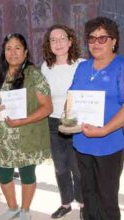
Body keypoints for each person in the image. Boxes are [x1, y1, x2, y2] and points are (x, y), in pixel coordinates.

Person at [69, 17, 124, 220]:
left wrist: (104, 129)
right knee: (88, 195)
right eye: (92, 38)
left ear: (114, 41)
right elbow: (72, 98)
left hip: (108, 143)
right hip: (82, 141)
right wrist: (69, 119)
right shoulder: (83, 67)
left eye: (102, 38)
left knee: (107, 197)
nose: (95, 43)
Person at [0, 33, 52, 220]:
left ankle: (25, 210)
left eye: (17, 48)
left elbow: (47, 107)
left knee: (27, 174)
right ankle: (12, 207)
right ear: (4, 52)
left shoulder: (34, 75)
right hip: (2, 139)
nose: (12, 52)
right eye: (8, 48)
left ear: (25, 53)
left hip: (26, 135)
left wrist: (22, 121)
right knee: (3, 173)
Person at [41, 24, 84, 219]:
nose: (58, 43)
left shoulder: (82, 64)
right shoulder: (45, 67)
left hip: (76, 123)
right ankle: (65, 203)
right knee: (60, 166)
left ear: (70, 41)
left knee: (78, 167)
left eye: (61, 38)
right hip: (53, 123)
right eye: (53, 39)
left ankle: (83, 204)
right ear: (48, 44)